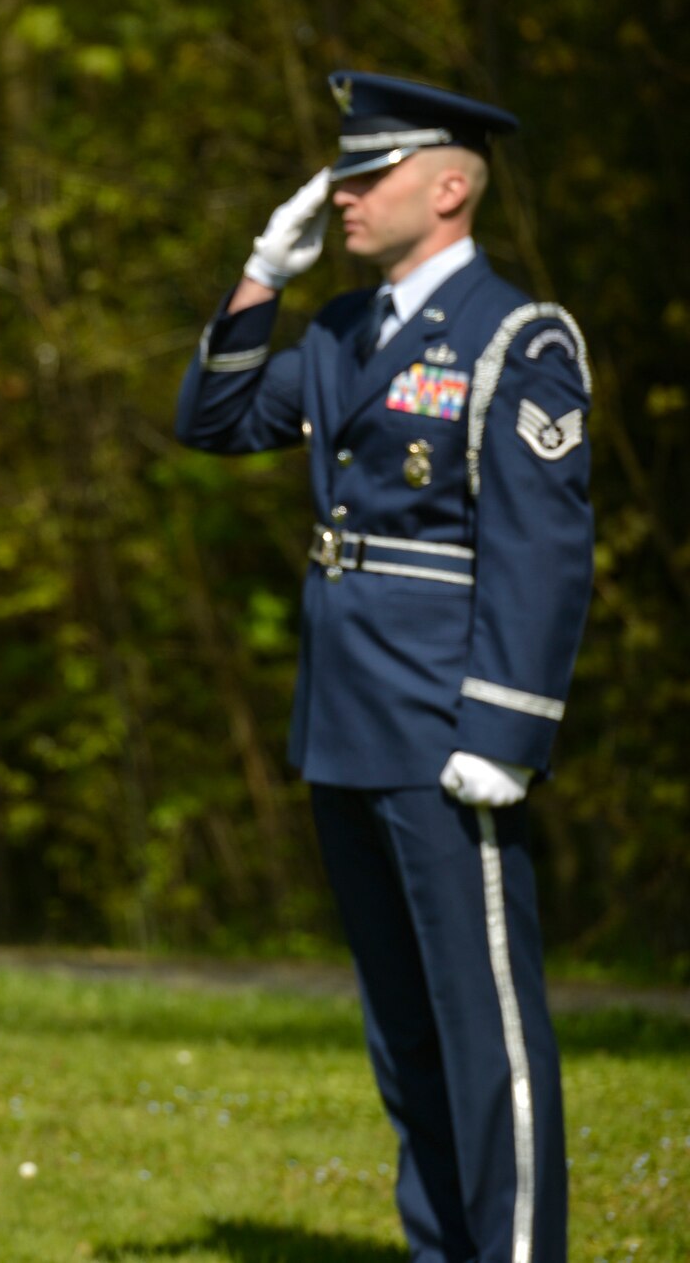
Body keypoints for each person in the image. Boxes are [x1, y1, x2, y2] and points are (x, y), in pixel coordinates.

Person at [175, 71, 591, 1262]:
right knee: (402, 1030)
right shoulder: (351, 329)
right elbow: (215, 423)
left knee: (484, 1024)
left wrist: (505, 731)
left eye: (368, 173)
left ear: (448, 186)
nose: (338, 194)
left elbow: (540, 550)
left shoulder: (516, 338)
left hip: (445, 721)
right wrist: (261, 276)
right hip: (346, 717)